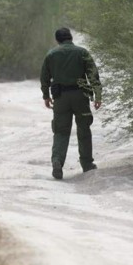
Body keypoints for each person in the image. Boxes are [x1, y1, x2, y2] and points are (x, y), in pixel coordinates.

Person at [40, 27, 102, 180]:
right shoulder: (82, 52)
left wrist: (46, 96)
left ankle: (57, 162)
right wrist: (98, 95)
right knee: (84, 129)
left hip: (60, 98)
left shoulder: (51, 55)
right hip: (81, 96)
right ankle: (87, 164)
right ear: (71, 38)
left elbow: (44, 78)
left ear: (57, 40)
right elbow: (93, 75)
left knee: (60, 131)